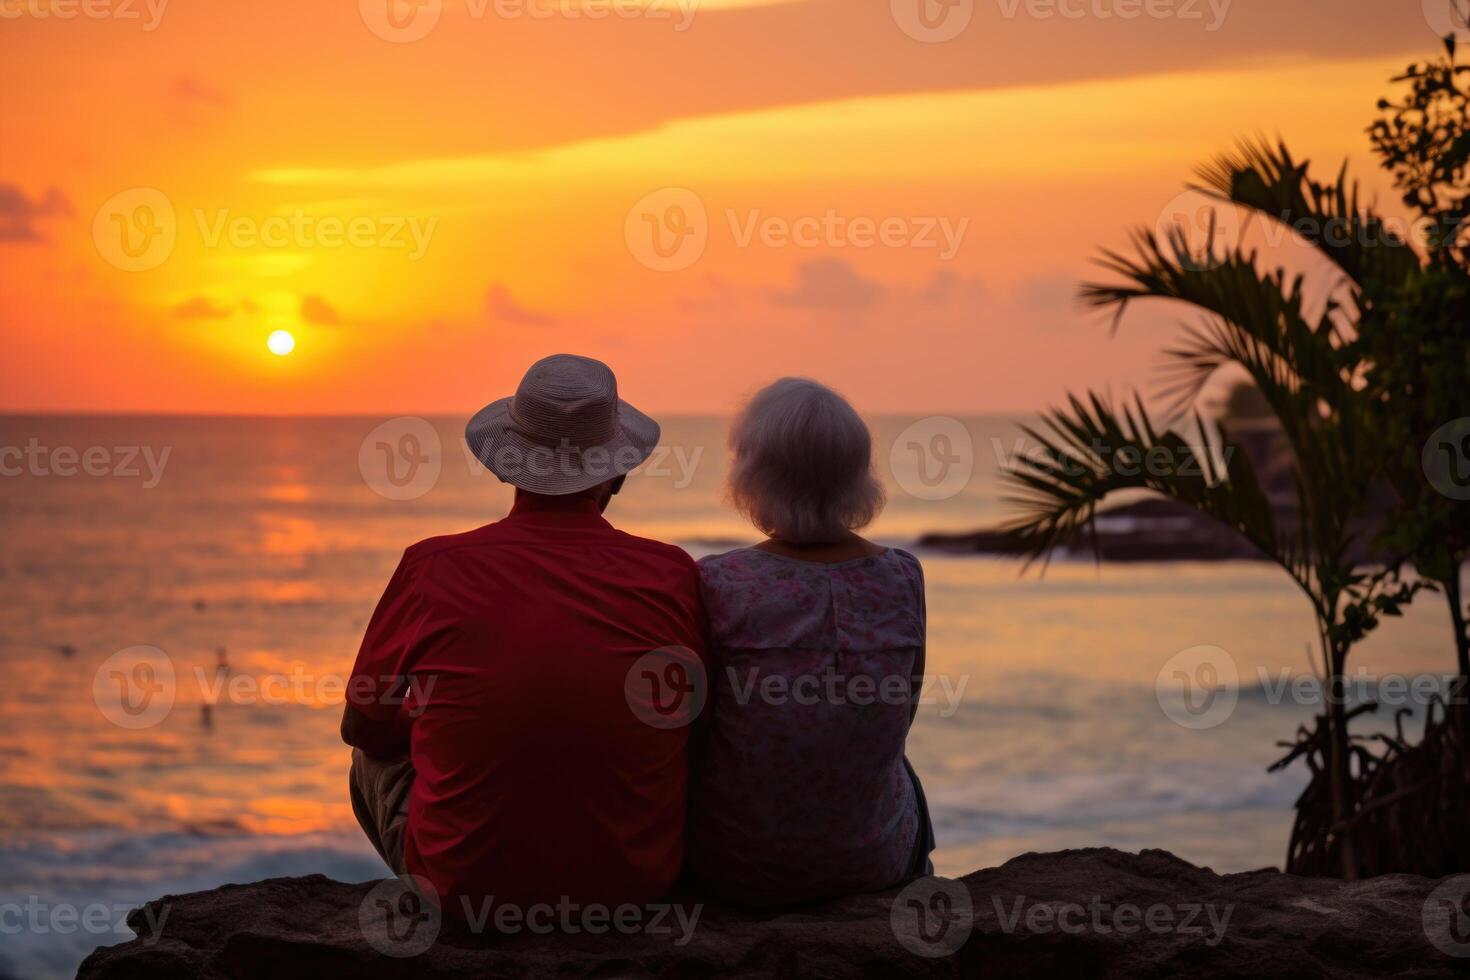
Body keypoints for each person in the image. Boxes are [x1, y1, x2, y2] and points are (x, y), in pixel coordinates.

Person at [342, 354, 706, 915]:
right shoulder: (673, 574)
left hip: (464, 895)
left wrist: (459, 716)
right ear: (616, 470)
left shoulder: (431, 566)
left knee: (370, 762)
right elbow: (698, 726)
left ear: (505, 466)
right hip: (634, 888)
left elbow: (364, 727)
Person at [687, 377, 935, 905]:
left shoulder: (717, 582)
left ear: (752, 475)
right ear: (857, 474)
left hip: (738, 866)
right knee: (900, 769)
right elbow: (902, 712)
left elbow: (696, 732)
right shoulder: (902, 576)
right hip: (873, 863)